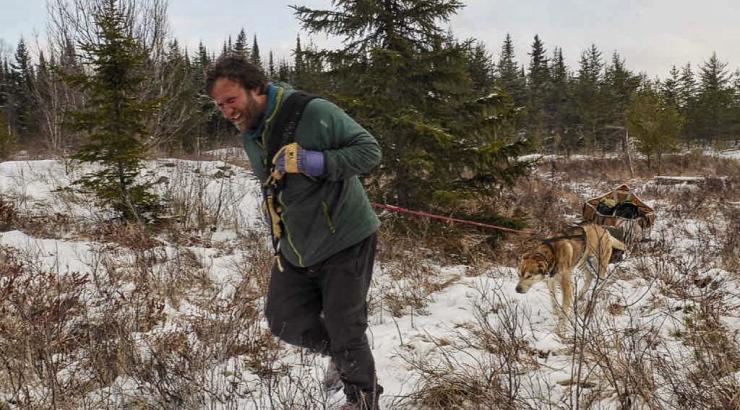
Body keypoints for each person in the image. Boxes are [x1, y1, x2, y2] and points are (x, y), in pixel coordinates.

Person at [207, 55, 383, 410]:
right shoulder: (250, 132)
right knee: (284, 320)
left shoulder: (312, 112)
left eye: (232, 100)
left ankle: (363, 400)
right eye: (220, 104)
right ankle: (342, 350)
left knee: (345, 326)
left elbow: (369, 152)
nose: (227, 111)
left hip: (345, 236)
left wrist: (316, 161)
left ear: (255, 88)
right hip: (296, 244)